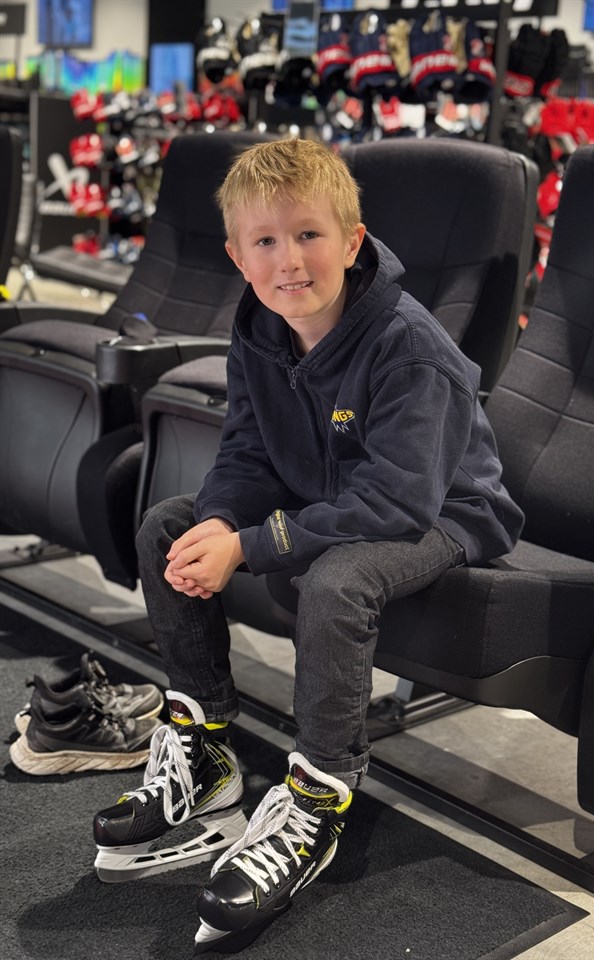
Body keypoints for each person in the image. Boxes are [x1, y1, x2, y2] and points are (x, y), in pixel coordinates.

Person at [92, 137, 524, 953]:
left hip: (445, 512)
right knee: (168, 528)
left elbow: (396, 503)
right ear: (238, 256)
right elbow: (247, 449)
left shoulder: (409, 345)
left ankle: (317, 799)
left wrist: (253, 545)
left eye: (308, 235)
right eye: (265, 241)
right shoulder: (259, 325)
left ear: (352, 241)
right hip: (332, 495)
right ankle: (203, 751)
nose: (288, 261)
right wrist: (220, 519)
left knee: (336, 580)